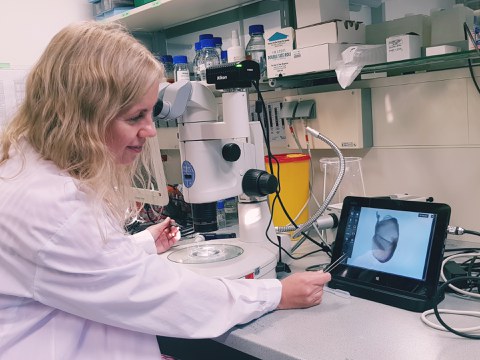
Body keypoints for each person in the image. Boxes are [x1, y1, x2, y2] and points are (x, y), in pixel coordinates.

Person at [0, 21, 331, 359]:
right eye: (134, 117)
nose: (150, 131)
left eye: (152, 113)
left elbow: (75, 268)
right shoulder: (53, 206)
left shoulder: (28, 170)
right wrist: (275, 294)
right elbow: (165, 296)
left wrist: (141, 245)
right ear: (80, 118)